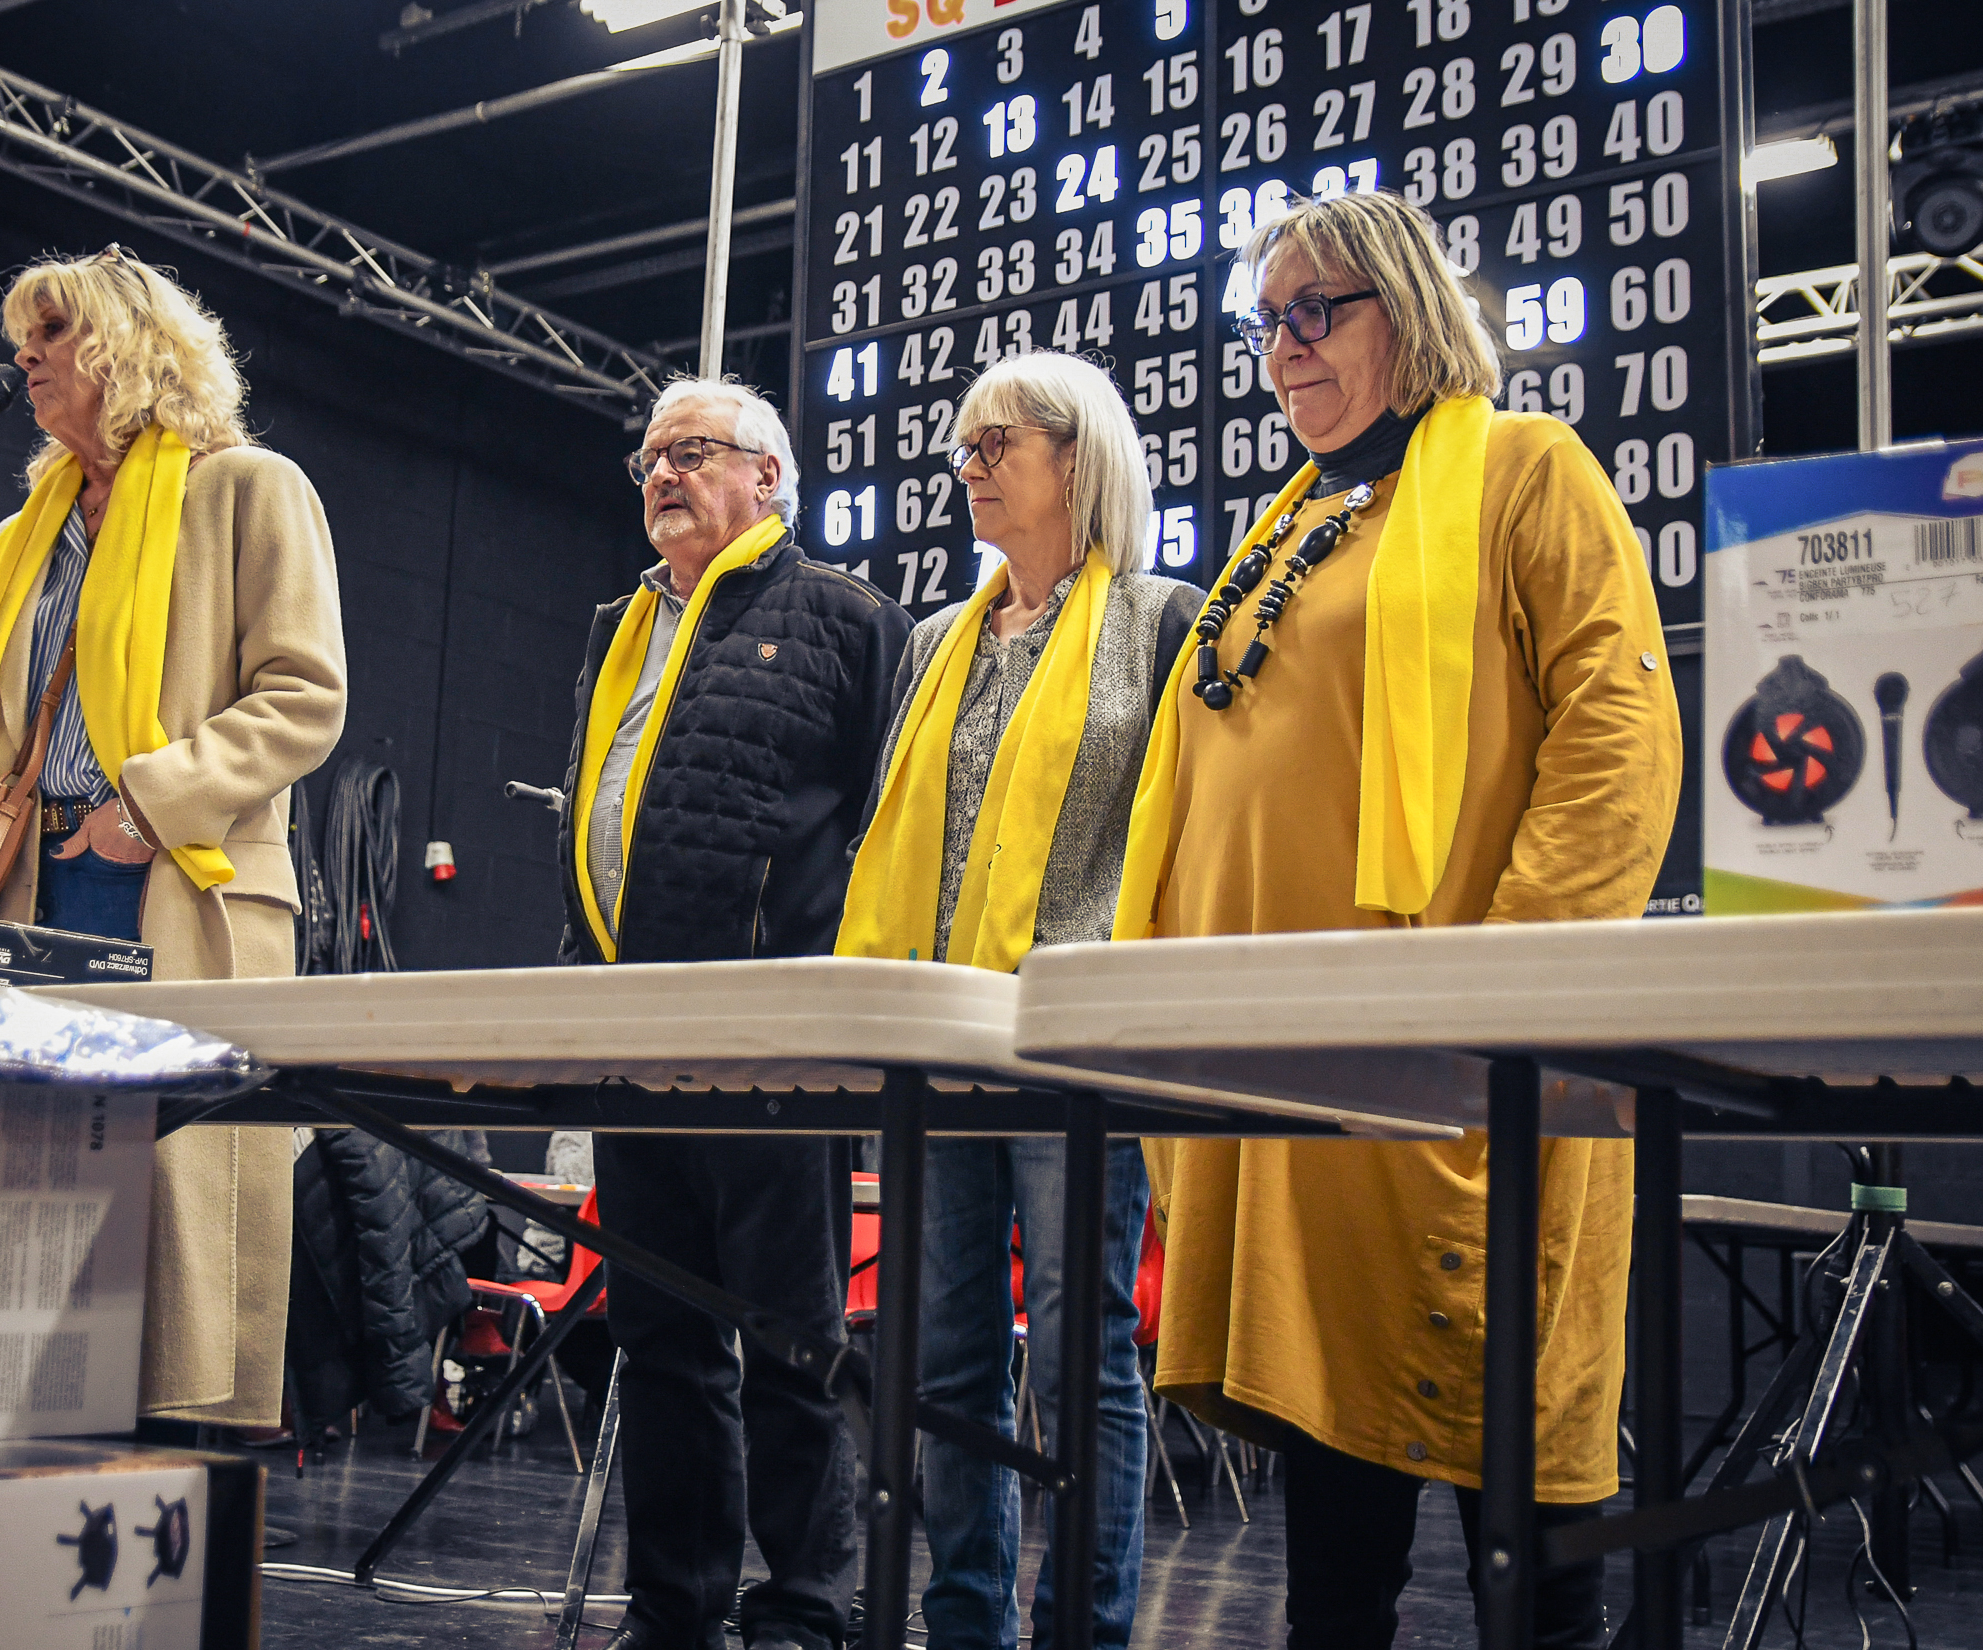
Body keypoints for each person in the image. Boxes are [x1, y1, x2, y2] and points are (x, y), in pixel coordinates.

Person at [1113, 190, 1683, 1649]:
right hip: (1296, 1081)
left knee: (1524, 1514)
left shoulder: (1519, 470)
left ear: (1410, 309)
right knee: (1334, 1534)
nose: (1287, 345)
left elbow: (1618, 727)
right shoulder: (1284, 524)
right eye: (1270, 320)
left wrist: (1504, 981)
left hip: (1469, 1069)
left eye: (1321, 310)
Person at [0, 246, 347, 1428]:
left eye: (52, 334)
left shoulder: (248, 488)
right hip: (35, 885)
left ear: (129, 352)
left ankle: (170, 1463)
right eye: (22, 334)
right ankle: (26, 1431)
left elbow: (304, 696)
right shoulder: (27, 531)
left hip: (171, 885)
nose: (24, 356)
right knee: (32, 1197)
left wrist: (148, 808)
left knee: (172, 1214)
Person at [837, 353, 1197, 1649]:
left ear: (1078, 455)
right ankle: (966, 1615)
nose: (969, 465)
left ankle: (1087, 1629)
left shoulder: (1163, 621)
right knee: (944, 1356)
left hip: (1078, 1037)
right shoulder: (936, 641)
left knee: (1083, 1354)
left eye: (996, 442)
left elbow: (1190, 836)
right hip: (938, 1033)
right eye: (964, 447)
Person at [559, 377, 912, 1650]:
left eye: (694, 452)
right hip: (629, 1037)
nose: (663, 474)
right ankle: (676, 1607)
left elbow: (886, 830)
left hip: (774, 1043)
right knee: (660, 1340)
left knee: (793, 1344)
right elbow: (594, 817)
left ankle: (808, 1608)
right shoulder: (616, 623)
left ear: (768, 476)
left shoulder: (849, 617)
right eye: (650, 457)